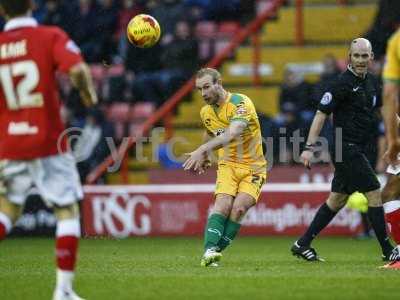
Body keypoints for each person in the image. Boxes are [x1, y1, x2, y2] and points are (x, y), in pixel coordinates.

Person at [0, 0, 97, 299]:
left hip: (9, 142)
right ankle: (63, 291)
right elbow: (78, 70)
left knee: (7, 211)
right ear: (31, 5)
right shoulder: (50, 36)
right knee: (66, 209)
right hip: (48, 140)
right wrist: (88, 95)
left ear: (3, 11)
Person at [290, 38, 399, 263]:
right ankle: (387, 249)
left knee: (337, 200)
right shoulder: (340, 84)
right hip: (344, 147)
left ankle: (302, 244)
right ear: (349, 57)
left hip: (358, 147)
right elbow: (321, 115)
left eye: (364, 56)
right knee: (374, 192)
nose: (360, 60)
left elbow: (385, 111)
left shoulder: (372, 82)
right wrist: (309, 148)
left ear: (371, 58)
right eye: (356, 56)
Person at [183, 68, 267, 267]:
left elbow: (232, 133)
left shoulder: (240, 103)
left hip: (253, 167)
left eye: (206, 87)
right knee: (222, 205)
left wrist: (201, 149)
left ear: (219, 83)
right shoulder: (206, 112)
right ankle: (209, 250)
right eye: (199, 89)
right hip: (227, 165)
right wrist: (206, 155)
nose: (203, 93)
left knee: (238, 209)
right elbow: (211, 132)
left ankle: (213, 251)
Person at [380, 28, 400, 269]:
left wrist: (393, 141)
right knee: (390, 192)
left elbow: (389, 94)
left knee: (391, 193)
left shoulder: (396, 41)